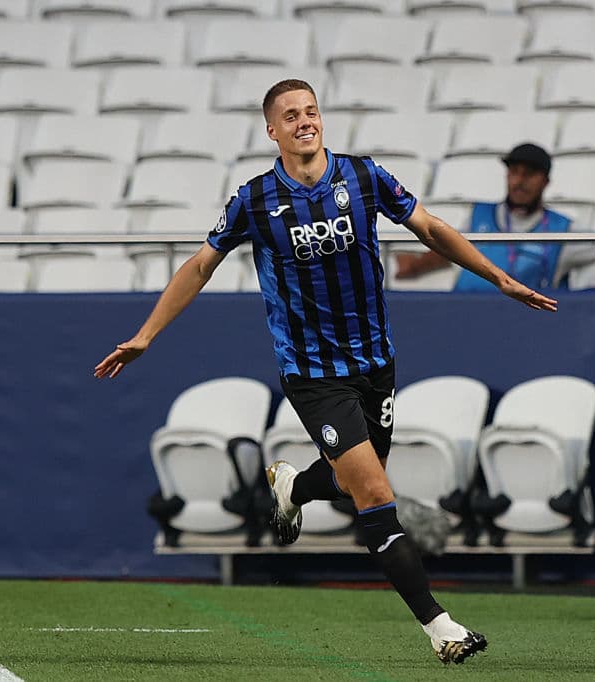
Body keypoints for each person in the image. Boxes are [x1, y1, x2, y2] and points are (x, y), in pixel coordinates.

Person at [95, 79, 558, 665]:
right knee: (374, 492)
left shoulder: (363, 177)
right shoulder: (256, 200)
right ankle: (441, 627)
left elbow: (431, 228)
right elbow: (198, 266)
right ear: (272, 131)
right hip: (314, 375)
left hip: (375, 363)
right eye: (290, 115)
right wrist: (145, 335)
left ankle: (293, 486)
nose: (304, 121)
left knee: (349, 481)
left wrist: (500, 278)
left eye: (310, 111)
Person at [394, 143, 595, 288]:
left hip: (525, 327)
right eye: (514, 172)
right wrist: (415, 265)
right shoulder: (478, 216)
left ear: (545, 181)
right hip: (465, 316)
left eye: (529, 174)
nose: (520, 181)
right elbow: (448, 251)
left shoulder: (561, 229)